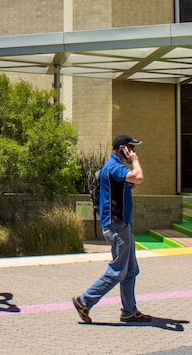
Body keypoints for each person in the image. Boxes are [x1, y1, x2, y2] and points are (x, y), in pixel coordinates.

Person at [72, 134, 152, 323]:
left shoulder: (115, 168)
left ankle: (129, 311)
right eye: (131, 148)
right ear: (122, 149)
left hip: (122, 224)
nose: (134, 152)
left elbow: (128, 183)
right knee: (118, 271)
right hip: (117, 226)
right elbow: (139, 177)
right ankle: (85, 301)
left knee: (131, 270)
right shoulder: (115, 166)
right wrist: (135, 161)